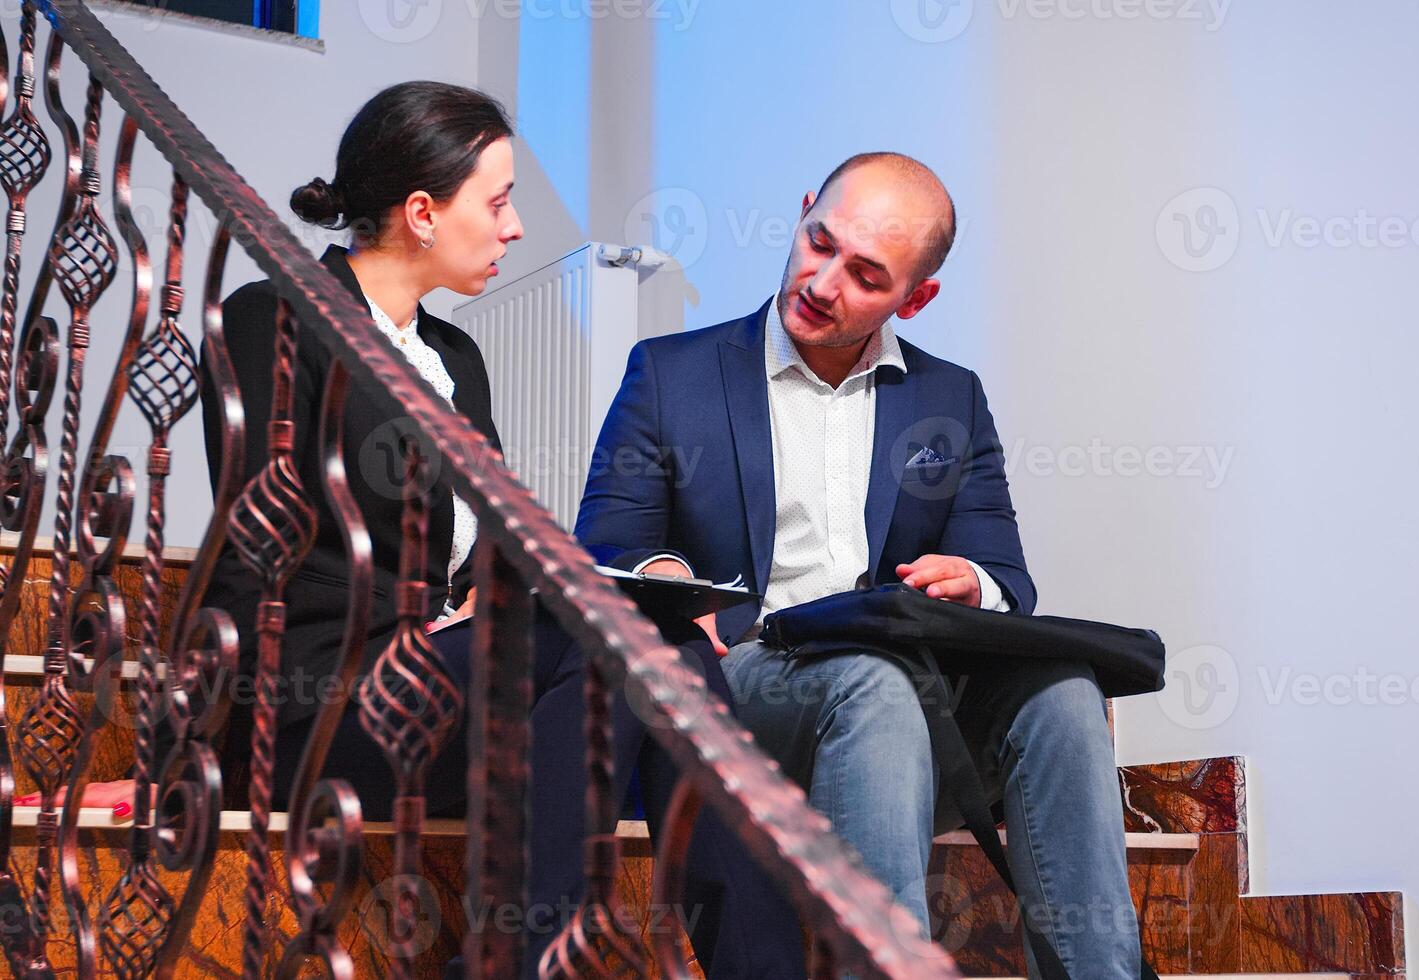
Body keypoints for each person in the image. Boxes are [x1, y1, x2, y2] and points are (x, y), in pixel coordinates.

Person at [55, 81, 799, 978]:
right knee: (633, 651)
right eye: (497, 202)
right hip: (322, 707)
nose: (515, 226)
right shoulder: (274, 316)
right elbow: (249, 557)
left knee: (668, 651)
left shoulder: (456, 359)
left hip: (451, 704)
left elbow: (491, 551)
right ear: (420, 212)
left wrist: (521, 591)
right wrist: (181, 757)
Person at [575, 152, 1146, 977]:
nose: (822, 280)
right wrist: (668, 580)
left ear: (915, 298)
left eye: (866, 274)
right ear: (805, 209)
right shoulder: (672, 375)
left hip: (906, 713)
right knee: (869, 683)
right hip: (741, 687)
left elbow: (1006, 576)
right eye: (819, 241)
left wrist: (972, 583)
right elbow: (603, 550)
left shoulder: (951, 398)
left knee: (1064, 691)